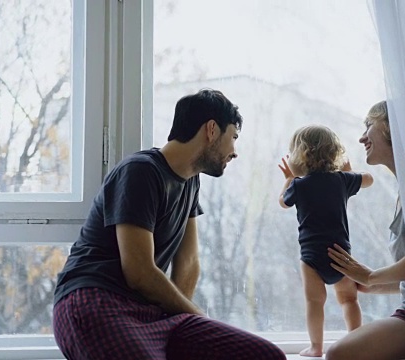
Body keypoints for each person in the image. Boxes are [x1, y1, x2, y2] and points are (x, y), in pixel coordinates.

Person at [52, 89, 286, 360]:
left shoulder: (191, 182)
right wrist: (195, 314)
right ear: (212, 130)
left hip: (151, 313)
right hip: (95, 300)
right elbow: (139, 273)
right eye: (233, 137)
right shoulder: (140, 171)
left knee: (265, 356)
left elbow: (188, 264)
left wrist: (188, 323)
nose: (235, 152)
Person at [325, 100, 405, 360]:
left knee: (339, 355)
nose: (362, 137)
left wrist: (371, 276)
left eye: (369, 125)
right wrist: (370, 287)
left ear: (392, 127)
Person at [277, 125, 374, 357]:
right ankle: (355, 341)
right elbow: (369, 180)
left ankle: (316, 347)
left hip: (312, 258)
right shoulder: (342, 180)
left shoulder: (299, 185)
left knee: (314, 302)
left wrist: (289, 179)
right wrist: (350, 172)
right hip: (341, 255)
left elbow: (282, 202)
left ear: (302, 156)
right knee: (349, 300)